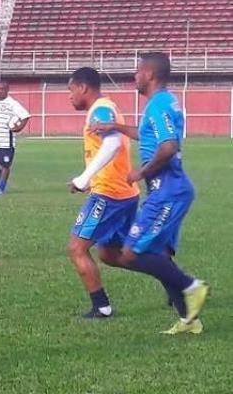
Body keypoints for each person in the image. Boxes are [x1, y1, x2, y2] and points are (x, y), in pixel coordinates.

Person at [93, 52, 209, 334]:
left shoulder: (158, 105)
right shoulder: (163, 102)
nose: (135, 76)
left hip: (167, 192)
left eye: (137, 71)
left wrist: (140, 173)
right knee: (158, 255)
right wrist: (116, 126)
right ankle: (189, 320)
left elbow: (169, 147)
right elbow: (148, 135)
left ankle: (192, 286)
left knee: (132, 253)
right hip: (171, 190)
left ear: (150, 74)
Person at [65, 67, 139, 319]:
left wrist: (84, 178)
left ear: (83, 87)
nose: (70, 96)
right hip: (123, 193)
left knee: (77, 248)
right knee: (110, 254)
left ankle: (102, 307)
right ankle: (169, 274)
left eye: (71, 89)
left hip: (109, 194)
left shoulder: (99, 109)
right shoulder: (105, 107)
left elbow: (113, 141)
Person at [0, 81, 30, 196]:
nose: (0, 91)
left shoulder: (12, 103)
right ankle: (1, 176)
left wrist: (18, 128)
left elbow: (25, 115)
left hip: (6, 142)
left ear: (7, 90)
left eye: (2, 89)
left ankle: (1, 187)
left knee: (5, 165)